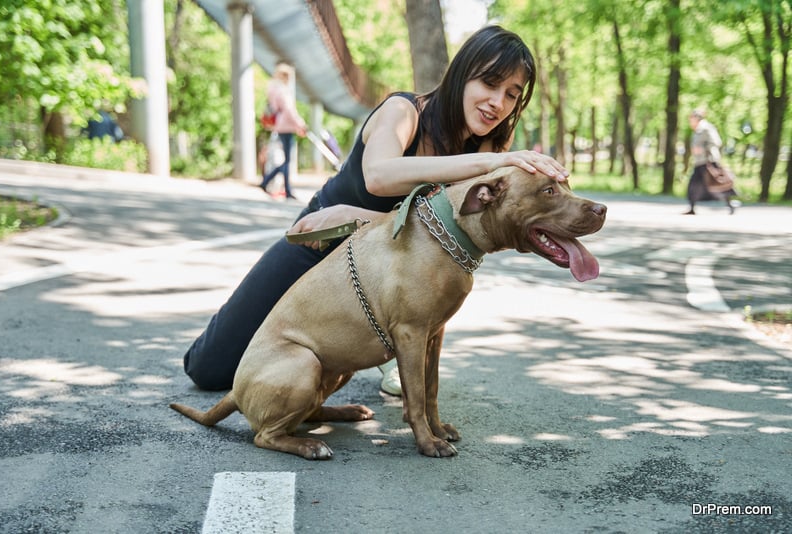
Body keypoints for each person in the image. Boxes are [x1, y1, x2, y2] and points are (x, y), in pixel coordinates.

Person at [183, 25, 569, 394]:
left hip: (390, 274)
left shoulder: (485, 151)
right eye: (489, 83)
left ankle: (389, 343)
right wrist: (486, 166)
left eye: (512, 94)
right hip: (325, 241)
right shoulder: (405, 112)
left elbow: (458, 235)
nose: (497, 103)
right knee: (210, 368)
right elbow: (379, 177)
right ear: (461, 74)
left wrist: (361, 220)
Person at [260, 62, 307, 199]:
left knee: (286, 160)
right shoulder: (282, 90)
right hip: (286, 126)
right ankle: (278, 186)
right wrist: (300, 124)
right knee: (287, 160)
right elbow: (289, 110)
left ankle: (276, 185)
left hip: (279, 126)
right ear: (285, 76)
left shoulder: (272, 89)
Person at [684, 109, 737, 215]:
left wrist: (703, 149)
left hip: (709, 161)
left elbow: (716, 141)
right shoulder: (697, 130)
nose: (690, 121)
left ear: (697, 118)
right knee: (694, 184)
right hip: (699, 162)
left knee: (717, 182)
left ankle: (730, 203)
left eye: (692, 118)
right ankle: (692, 206)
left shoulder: (706, 128)